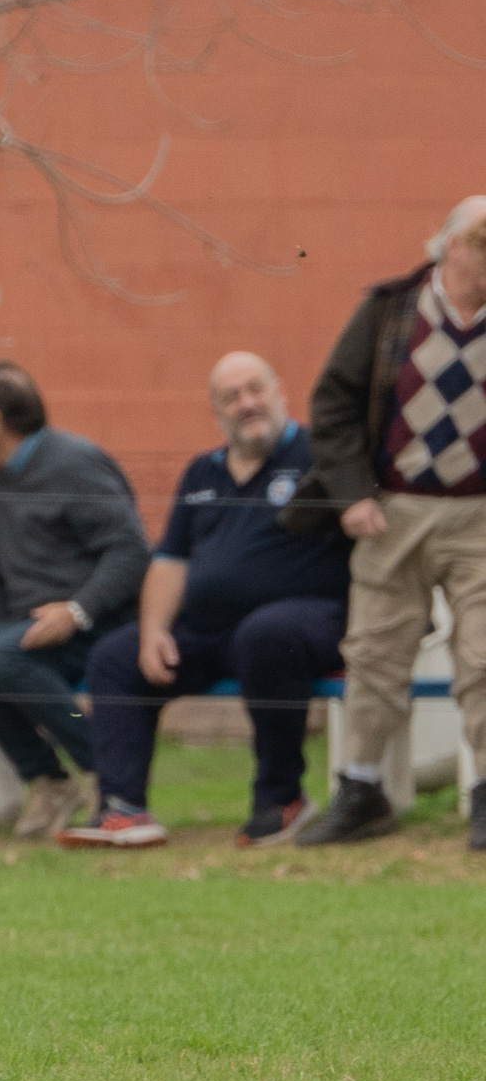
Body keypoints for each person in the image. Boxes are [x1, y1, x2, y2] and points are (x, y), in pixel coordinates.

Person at [71, 353, 351, 849]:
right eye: (231, 397)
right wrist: (155, 630)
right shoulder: (203, 472)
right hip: (209, 631)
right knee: (114, 657)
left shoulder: (321, 457)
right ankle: (123, 809)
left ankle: (280, 799)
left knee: (265, 634)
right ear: (216, 411)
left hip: (308, 620)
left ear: (280, 391)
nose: (247, 404)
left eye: (255, 389)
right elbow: (170, 561)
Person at [285, 196, 486, 848]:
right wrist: (352, 495)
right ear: (452, 246)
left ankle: (484, 794)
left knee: (483, 657)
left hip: (478, 518)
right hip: (392, 512)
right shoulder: (392, 311)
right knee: (374, 653)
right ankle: (361, 790)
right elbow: (334, 402)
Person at [0, 361, 150, 839]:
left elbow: (131, 550)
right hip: (29, 626)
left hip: (99, 620)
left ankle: (109, 773)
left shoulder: (75, 464)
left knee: (3, 657)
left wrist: (77, 610)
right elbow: (0, 571)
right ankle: (49, 780)